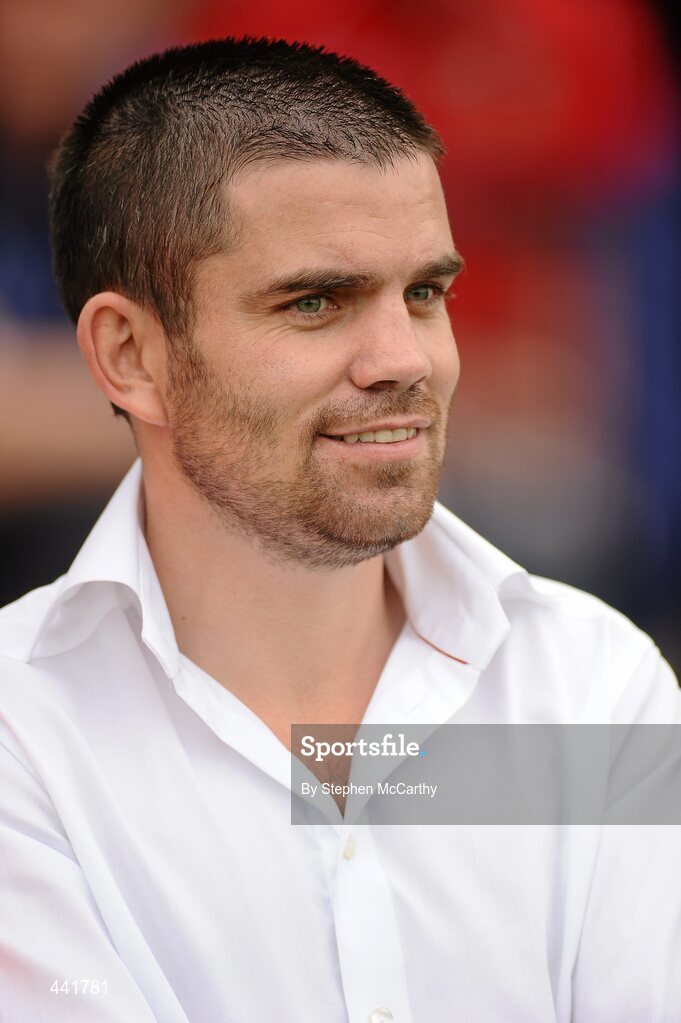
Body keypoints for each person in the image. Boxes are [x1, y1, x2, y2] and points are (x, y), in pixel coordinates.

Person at [0, 37, 679, 1023]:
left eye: (425, 293)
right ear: (130, 354)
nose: (405, 359)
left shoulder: (593, 691)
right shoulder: (23, 733)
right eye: (316, 302)